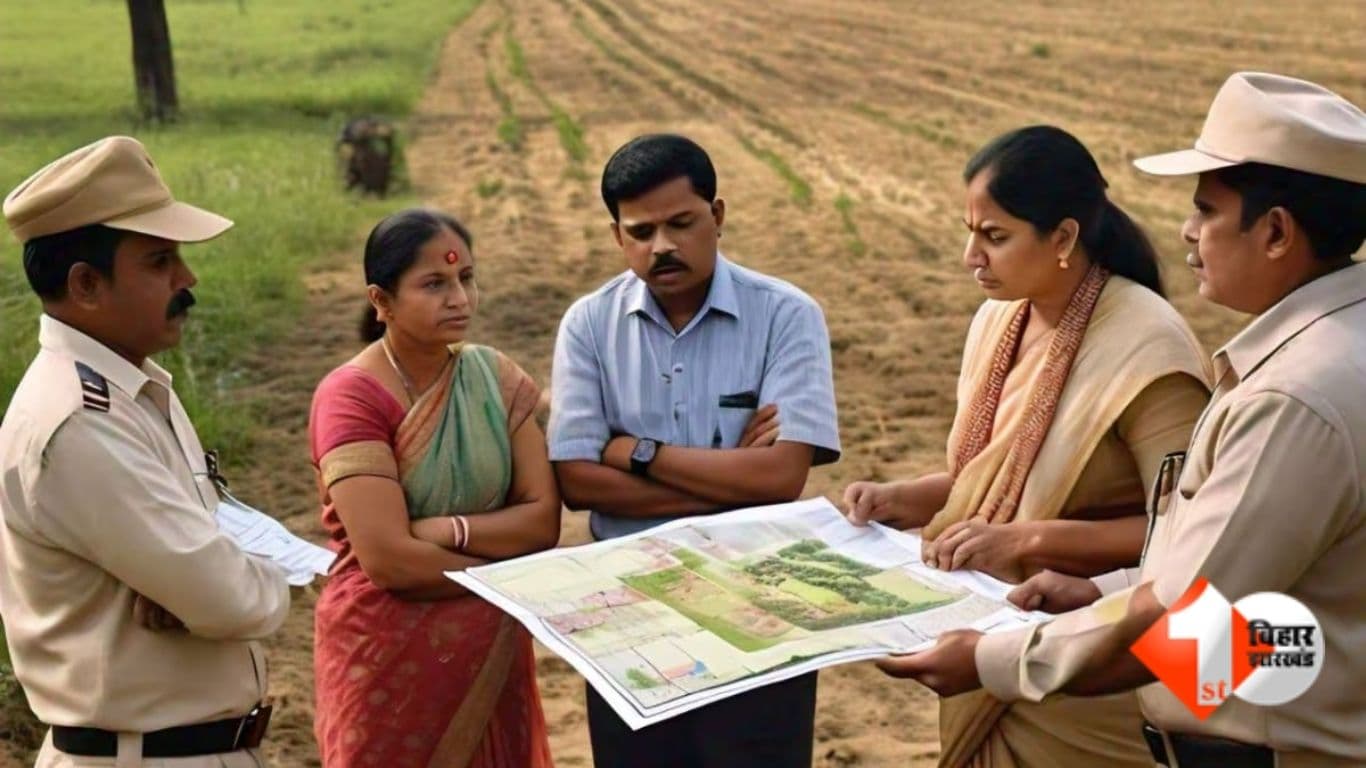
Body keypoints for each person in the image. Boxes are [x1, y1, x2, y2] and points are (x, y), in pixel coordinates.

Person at [881, 72, 1366, 768]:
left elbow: (1186, 615)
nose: (1187, 231)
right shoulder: (1330, 352)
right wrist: (1105, 592)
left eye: (1206, 210)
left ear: (1277, 231)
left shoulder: (1291, 399)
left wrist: (992, 660)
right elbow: (1263, 590)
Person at [841, 125, 1212, 767]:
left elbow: (1191, 534)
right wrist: (903, 498)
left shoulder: (1148, 349)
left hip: (1086, 670)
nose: (971, 257)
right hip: (990, 639)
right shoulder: (999, 318)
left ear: (1063, 237)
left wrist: (1028, 542)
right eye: (971, 231)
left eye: (995, 236)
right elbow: (991, 481)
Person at [548, 134, 842, 768]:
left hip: (764, 599)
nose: (663, 246)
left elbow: (782, 475)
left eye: (682, 223)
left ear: (718, 216)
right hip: (628, 603)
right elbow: (577, 480)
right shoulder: (588, 325)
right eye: (642, 230)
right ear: (617, 236)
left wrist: (637, 452)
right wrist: (733, 478)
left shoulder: (786, 315)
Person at [0, 136, 291, 766]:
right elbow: (233, 598)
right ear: (85, 285)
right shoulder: (81, 424)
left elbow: (210, 567)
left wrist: (204, 575)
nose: (187, 280)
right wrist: (257, 578)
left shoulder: (138, 387)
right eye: (160, 262)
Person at [309, 208, 560, 767]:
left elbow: (542, 521)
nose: (459, 299)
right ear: (381, 300)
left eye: (466, 278)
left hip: (489, 653)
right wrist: (505, 581)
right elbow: (388, 560)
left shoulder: (494, 380)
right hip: (385, 654)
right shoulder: (350, 397)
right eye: (434, 284)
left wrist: (447, 530)